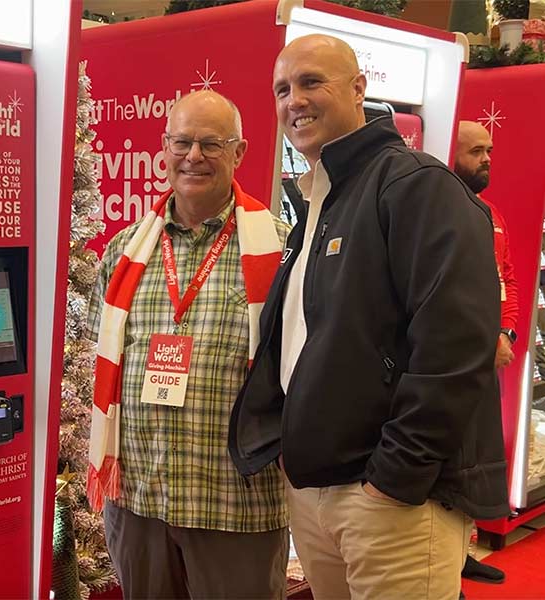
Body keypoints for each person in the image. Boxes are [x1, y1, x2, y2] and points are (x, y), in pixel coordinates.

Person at [228, 34, 509, 600]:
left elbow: (457, 347)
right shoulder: (321, 201)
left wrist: (396, 476)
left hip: (390, 500)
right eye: (282, 89)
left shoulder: (416, 186)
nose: (294, 100)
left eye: (311, 82)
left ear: (359, 89)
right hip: (318, 491)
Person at [86, 90, 290, 599]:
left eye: (211, 144)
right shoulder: (124, 251)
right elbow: (98, 357)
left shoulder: (280, 250)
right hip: (139, 502)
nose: (193, 156)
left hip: (235, 507)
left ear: (239, 153)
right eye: (182, 143)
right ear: (165, 147)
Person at [453, 119, 516, 585]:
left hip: (487, 358)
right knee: (449, 460)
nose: (487, 159)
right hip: (452, 363)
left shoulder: (492, 214)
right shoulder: (438, 211)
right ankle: (447, 560)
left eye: (489, 150)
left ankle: (464, 549)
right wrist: (481, 341)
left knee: (475, 461)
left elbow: (506, 277)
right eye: (476, 151)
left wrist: (506, 334)